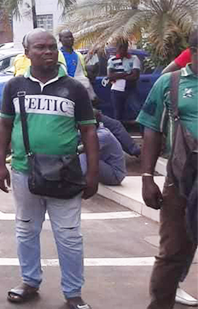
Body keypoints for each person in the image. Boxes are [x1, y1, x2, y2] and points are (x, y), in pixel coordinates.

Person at [0, 28, 99, 309]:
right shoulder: (15, 87)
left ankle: (73, 293)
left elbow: (89, 133)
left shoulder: (74, 88)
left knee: (68, 235)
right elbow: (4, 126)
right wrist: (0, 166)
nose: (49, 52)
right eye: (40, 47)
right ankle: (30, 281)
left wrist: (92, 173)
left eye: (52, 47)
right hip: (24, 171)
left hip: (65, 173)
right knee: (26, 229)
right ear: (27, 53)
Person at [138, 27, 198, 309]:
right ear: (193, 54)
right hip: (181, 182)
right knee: (173, 251)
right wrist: (147, 177)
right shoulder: (169, 83)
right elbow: (151, 130)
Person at [81, 112, 127, 186]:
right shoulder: (96, 130)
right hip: (106, 168)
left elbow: (81, 149)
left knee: (83, 155)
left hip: (115, 175)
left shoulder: (103, 135)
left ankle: (78, 181)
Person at [107, 36, 141, 121]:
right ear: (117, 47)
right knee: (118, 114)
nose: (122, 49)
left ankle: (143, 132)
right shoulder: (112, 60)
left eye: (124, 46)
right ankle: (120, 133)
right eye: (120, 47)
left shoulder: (134, 58)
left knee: (138, 111)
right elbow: (110, 76)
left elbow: (135, 76)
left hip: (130, 89)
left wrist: (117, 75)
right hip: (116, 90)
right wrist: (127, 73)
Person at [59, 30, 96, 100]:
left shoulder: (79, 55)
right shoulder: (57, 55)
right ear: (60, 40)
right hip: (64, 89)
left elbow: (83, 72)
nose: (70, 39)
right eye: (66, 37)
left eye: (71, 37)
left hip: (81, 87)